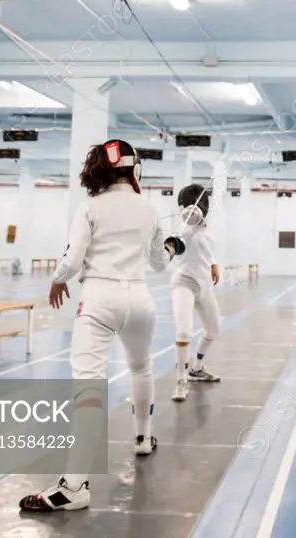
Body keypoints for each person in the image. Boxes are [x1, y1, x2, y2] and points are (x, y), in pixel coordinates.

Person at [19, 139, 182, 513]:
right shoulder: (149, 210)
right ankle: (143, 437)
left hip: (98, 300)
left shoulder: (90, 207)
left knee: (89, 385)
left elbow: (73, 259)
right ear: (133, 168)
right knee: (141, 367)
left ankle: (74, 486)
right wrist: (173, 247)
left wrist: (59, 278)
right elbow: (160, 261)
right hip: (140, 301)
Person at [168, 183, 222, 402]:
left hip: (205, 286)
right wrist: (168, 248)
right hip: (184, 283)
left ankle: (197, 368)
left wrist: (214, 264)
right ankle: (181, 381)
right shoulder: (182, 229)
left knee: (213, 330)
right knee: (184, 333)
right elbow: (175, 243)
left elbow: (207, 250)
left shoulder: (207, 229)